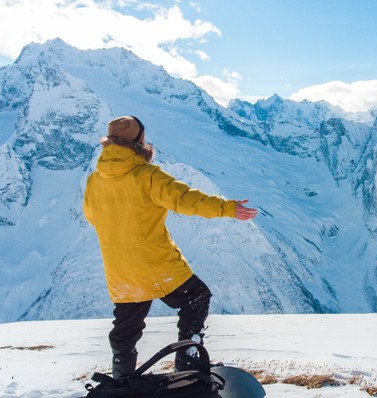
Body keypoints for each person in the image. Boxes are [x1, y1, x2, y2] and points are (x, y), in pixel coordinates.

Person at [83, 115, 257, 379]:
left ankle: (122, 377)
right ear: (139, 140)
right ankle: (187, 365)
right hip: (155, 262)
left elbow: (92, 215)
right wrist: (228, 208)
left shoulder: (95, 180)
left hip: (118, 266)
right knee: (196, 299)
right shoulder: (147, 176)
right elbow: (186, 200)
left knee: (126, 325)